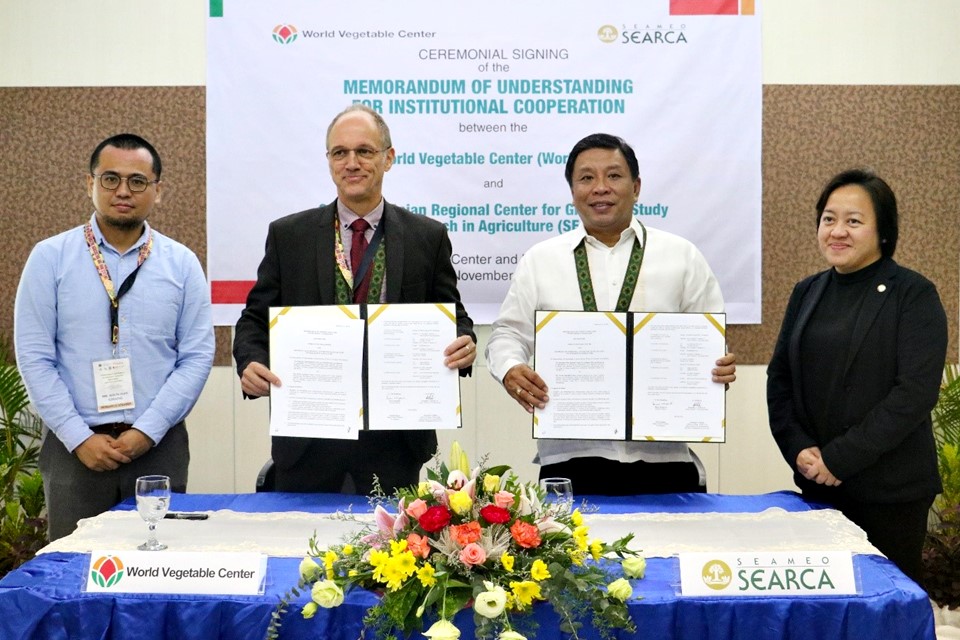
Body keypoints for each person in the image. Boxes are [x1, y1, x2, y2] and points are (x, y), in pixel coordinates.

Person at [233, 104, 476, 495]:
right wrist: (251, 360)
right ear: (329, 161)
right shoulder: (289, 236)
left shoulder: (426, 237)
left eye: (364, 151)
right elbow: (253, 320)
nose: (352, 163)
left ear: (388, 158)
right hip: (308, 437)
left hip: (395, 441)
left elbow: (453, 316)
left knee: (392, 555)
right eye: (339, 152)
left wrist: (465, 341)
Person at [485, 133, 736, 495]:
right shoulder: (541, 260)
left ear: (636, 187)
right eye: (586, 178)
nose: (600, 188)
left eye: (614, 176)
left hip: (664, 459)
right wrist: (510, 369)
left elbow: (710, 342)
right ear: (572, 190)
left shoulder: (681, 256)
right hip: (570, 459)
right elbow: (507, 335)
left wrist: (718, 366)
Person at [14, 133, 214, 541]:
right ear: (90, 184)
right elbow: (35, 357)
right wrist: (78, 436)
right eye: (110, 179)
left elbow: (196, 356)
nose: (123, 191)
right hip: (76, 450)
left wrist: (148, 431)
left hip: (157, 447)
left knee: (159, 571)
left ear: (157, 191)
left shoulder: (181, 264)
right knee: (77, 574)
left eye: (137, 181)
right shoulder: (50, 258)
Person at [767, 168, 946, 585]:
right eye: (829, 219)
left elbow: (914, 394)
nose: (837, 231)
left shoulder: (913, 294)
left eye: (853, 221)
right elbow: (780, 382)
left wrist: (839, 458)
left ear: (883, 230)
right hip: (819, 490)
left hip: (890, 496)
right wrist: (800, 449)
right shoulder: (806, 292)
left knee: (882, 611)